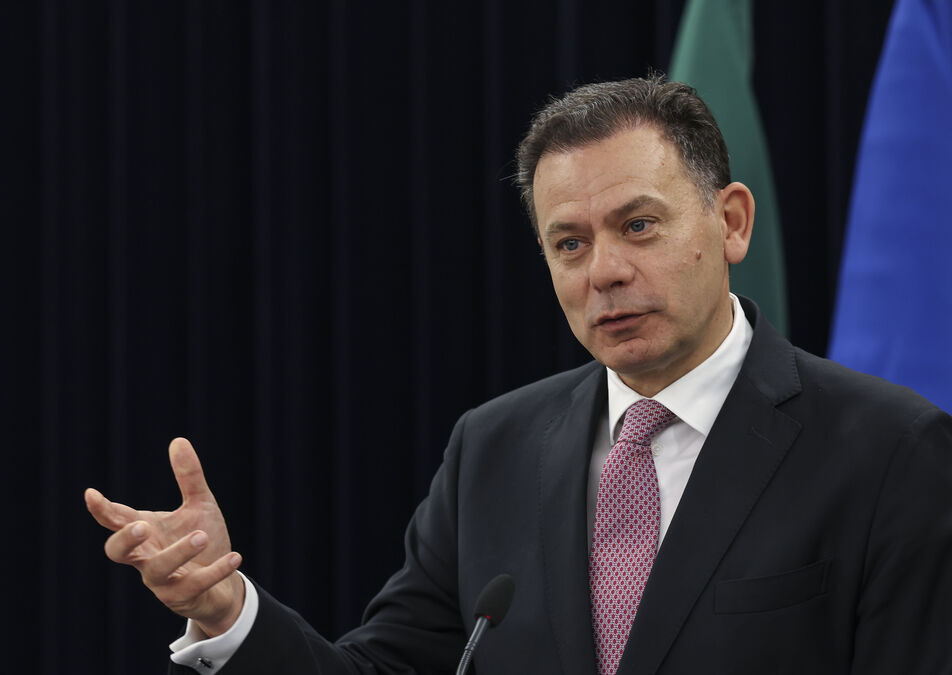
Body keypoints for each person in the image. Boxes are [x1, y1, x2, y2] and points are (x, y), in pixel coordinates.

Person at [84, 76, 952, 673]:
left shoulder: (889, 451)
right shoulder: (492, 448)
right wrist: (228, 609)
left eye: (638, 226)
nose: (603, 271)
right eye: (569, 243)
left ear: (730, 222)